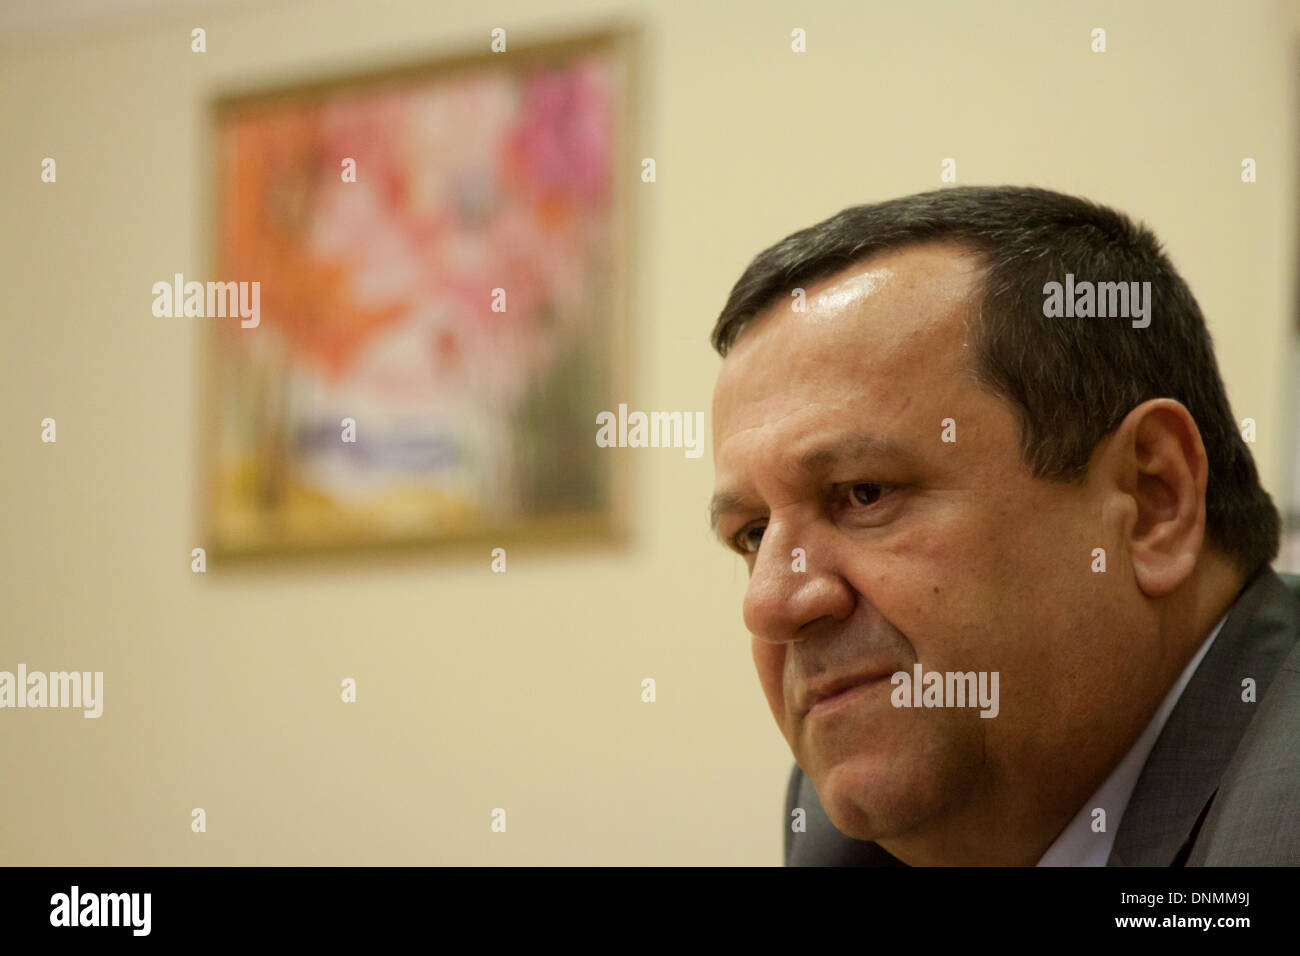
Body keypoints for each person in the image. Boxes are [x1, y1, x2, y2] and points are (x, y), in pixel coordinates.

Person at [707, 186, 1300, 865]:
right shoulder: (850, 833)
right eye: (753, 534)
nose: (770, 605)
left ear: (1151, 502)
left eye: (864, 494)